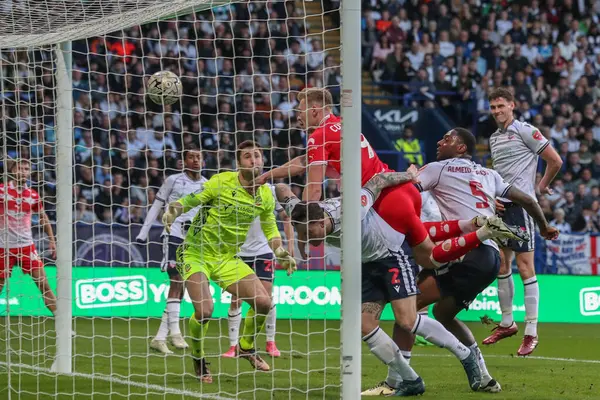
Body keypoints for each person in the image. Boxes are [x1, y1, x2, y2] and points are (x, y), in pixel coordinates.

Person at [274, 168, 527, 395]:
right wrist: (297, 233)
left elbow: (377, 180)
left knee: (407, 319)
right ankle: (410, 379)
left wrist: (409, 176)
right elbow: (283, 190)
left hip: (391, 253)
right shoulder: (304, 214)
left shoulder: (352, 209)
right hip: (365, 263)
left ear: (320, 223)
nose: (306, 237)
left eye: (308, 233)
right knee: (362, 324)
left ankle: (465, 355)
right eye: (301, 233)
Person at [161, 141, 296, 383]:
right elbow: (192, 200)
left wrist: (281, 251)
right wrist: (174, 209)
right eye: (247, 156)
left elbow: (270, 227)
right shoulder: (221, 181)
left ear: (262, 160)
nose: (253, 160)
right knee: (205, 311)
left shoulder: (265, 193)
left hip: (227, 259)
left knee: (265, 303)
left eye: (257, 155)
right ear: (238, 163)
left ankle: (246, 346)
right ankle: (199, 358)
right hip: (196, 252)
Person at [485, 87, 563, 356]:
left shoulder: (525, 130)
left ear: (512, 106)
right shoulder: (495, 138)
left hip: (522, 206)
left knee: (525, 265)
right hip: (501, 207)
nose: (497, 111)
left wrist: (541, 185)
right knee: (502, 265)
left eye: (501, 106)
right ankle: (507, 323)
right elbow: (498, 176)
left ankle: (531, 332)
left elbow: (554, 160)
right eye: (493, 107)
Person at [136, 147, 207, 354]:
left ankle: (160, 337)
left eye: (199, 157)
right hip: (173, 234)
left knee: (183, 284)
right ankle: (175, 333)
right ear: (184, 161)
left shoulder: (206, 185)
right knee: (176, 281)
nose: (195, 160)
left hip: (194, 240)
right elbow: (156, 206)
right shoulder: (173, 180)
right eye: (191, 157)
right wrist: (143, 232)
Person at [222, 183, 295, 358]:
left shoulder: (269, 190)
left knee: (266, 298)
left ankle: (270, 341)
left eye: (257, 156)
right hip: (238, 251)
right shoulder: (231, 188)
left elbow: (286, 217)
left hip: (264, 251)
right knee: (236, 299)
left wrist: (290, 245)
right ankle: (233, 346)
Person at [0, 159, 59, 324]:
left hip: (26, 247)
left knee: (44, 286)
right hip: (3, 248)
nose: (24, 171)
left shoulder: (33, 195)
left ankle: (62, 324)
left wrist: (52, 240)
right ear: (13, 171)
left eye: (26, 169)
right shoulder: (2, 191)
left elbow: (43, 218)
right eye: (20, 168)